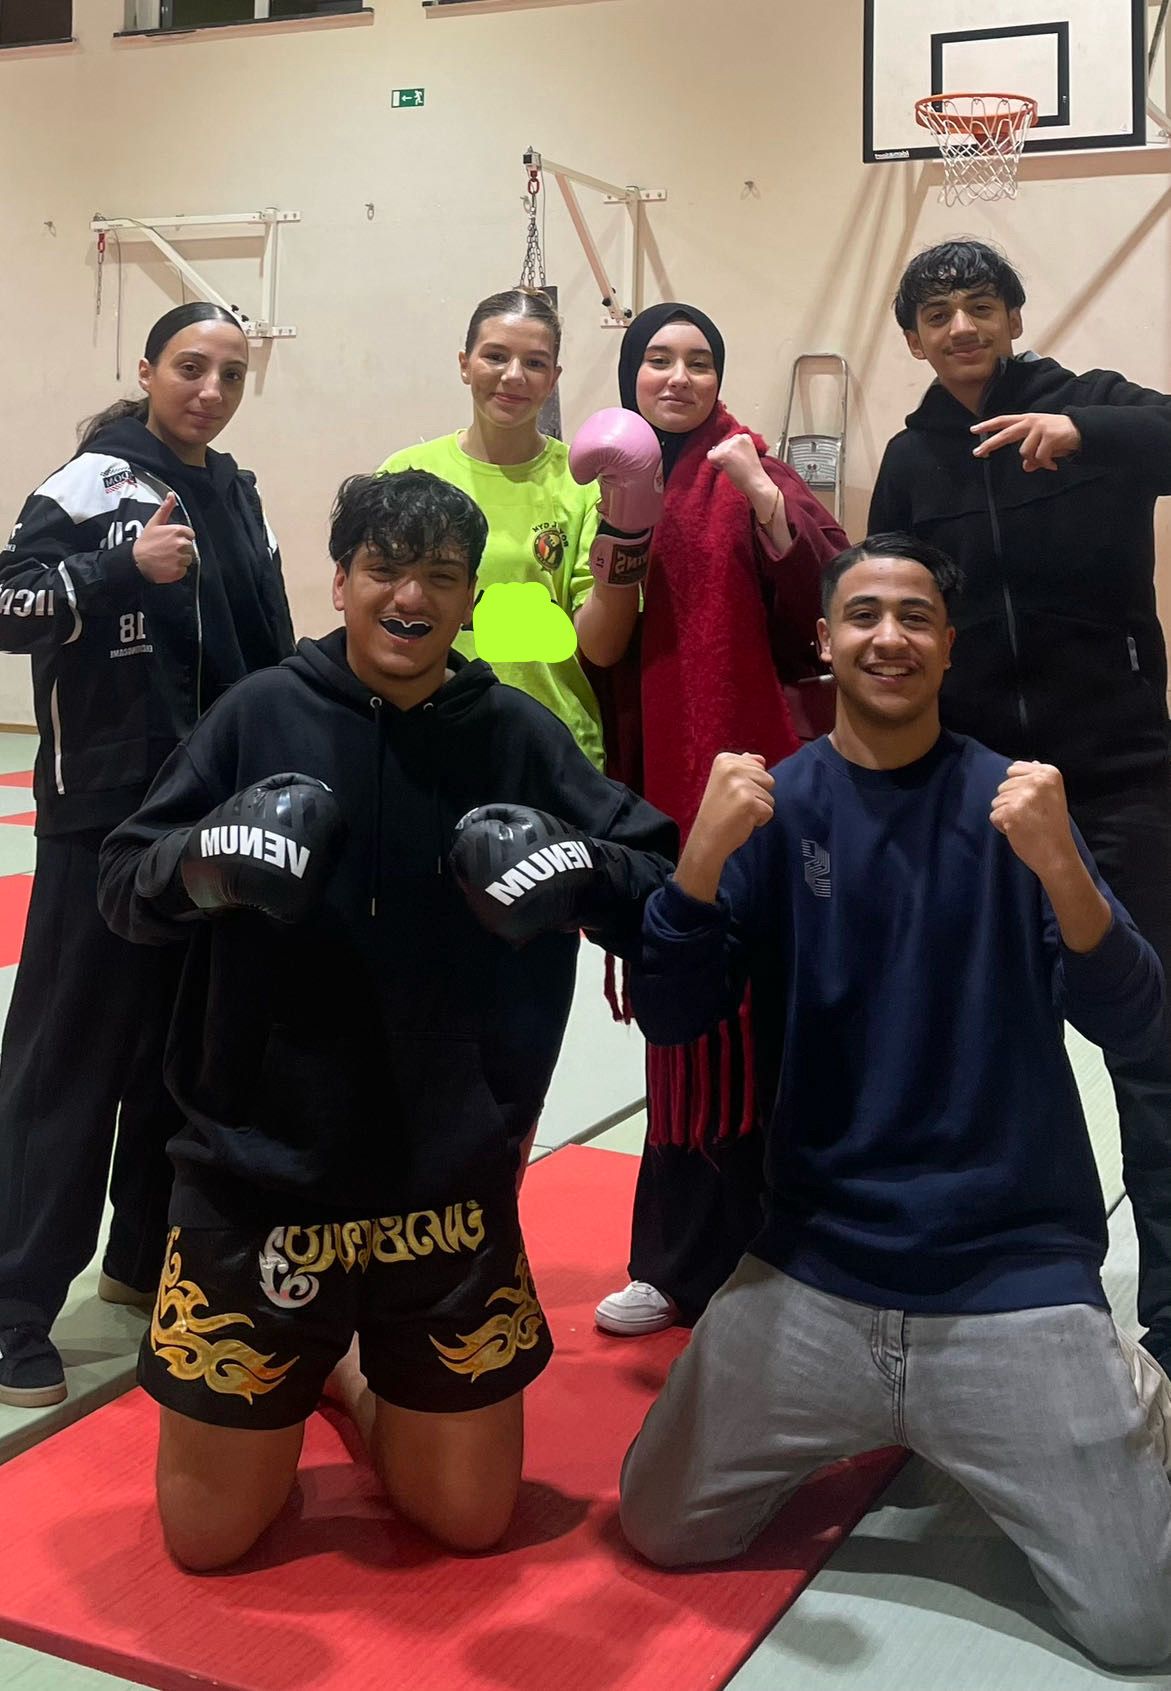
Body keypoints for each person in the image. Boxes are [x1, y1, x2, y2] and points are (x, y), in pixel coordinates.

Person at [96, 469, 675, 1570]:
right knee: (208, 1539)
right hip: (260, 1174)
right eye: (385, 569)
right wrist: (208, 860)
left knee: (469, 1518)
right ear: (341, 581)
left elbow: (659, 881)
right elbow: (123, 884)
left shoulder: (512, 733)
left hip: (446, 1179)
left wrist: (581, 871)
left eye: (440, 577)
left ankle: (352, 1373)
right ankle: (321, 1362)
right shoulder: (259, 712)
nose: (410, 596)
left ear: (468, 601)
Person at [619, 532, 1171, 1670]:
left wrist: (1062, 866)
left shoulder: (1013, 803)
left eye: (915, 616)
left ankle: (1121, 1391)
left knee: (1137, 1624)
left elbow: (1134, 1022)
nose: (889, 636)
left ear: (947, 646)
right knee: (663, 1525)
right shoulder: (776, 806)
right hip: (816, 1265)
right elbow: (672, 1018)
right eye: (862, 615)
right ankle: (904, 1418)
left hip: (1007, 1272)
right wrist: (697, 865)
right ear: (824, 642)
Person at [869, 239, 1171, 1374]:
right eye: (937, 313)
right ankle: (1031, 1298)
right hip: (979, 795)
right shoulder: (910, 459)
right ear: (912, 338)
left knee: (1152, 1049)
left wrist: (1084, 433)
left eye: (979, 305)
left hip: (1122, 776)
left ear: (1012, 316)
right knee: (1002, 1051)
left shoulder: (1094, 405)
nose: (960, 326)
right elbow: (887, 607)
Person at [0, 301, 293, 1411]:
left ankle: (141, 1260)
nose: (210, 391)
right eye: (190, 367)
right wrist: (121, 566)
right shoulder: (89, 483)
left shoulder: (239, 492)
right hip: (102, 822)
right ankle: (12, 1305)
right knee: (67, 1065)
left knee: (184, 1057)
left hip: (210, 818)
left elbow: (266, 643)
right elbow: (6, 602)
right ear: (148, 367)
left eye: (230, 374)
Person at [591, 302, 848, 1338]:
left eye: (699, 360)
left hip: (759, 779)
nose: (679, 376)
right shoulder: (604, 474)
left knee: (767, 1019)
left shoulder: (749, 463)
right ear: (629, 372)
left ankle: (777, 1253)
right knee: (680, 1023)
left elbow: (825, 600)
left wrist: (766, 502)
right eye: (658, 358)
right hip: (655, 779)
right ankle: (671, 1260)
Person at [377, 286, 641, 772]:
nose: (514, 375)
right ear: (465, 364)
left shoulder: (584, 481)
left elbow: (602, 648)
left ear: (553, 378)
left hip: (553, 744)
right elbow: (373, 614)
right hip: (424, 734)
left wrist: (628, 530)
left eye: (535, 363)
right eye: (495, 356)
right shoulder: (407, 473)